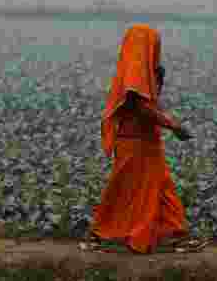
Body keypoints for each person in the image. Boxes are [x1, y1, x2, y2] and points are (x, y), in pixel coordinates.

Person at [85, 24, 206, 254]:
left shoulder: (144, 71)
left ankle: (176, 235)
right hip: (133, 141)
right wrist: (173, 125)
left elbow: (148, 103)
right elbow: (140, 107)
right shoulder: (134, 73)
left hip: (147, 140)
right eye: (153, 45)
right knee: (123, 190)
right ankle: (98, 234)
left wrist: (158, 79)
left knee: (162, 189)